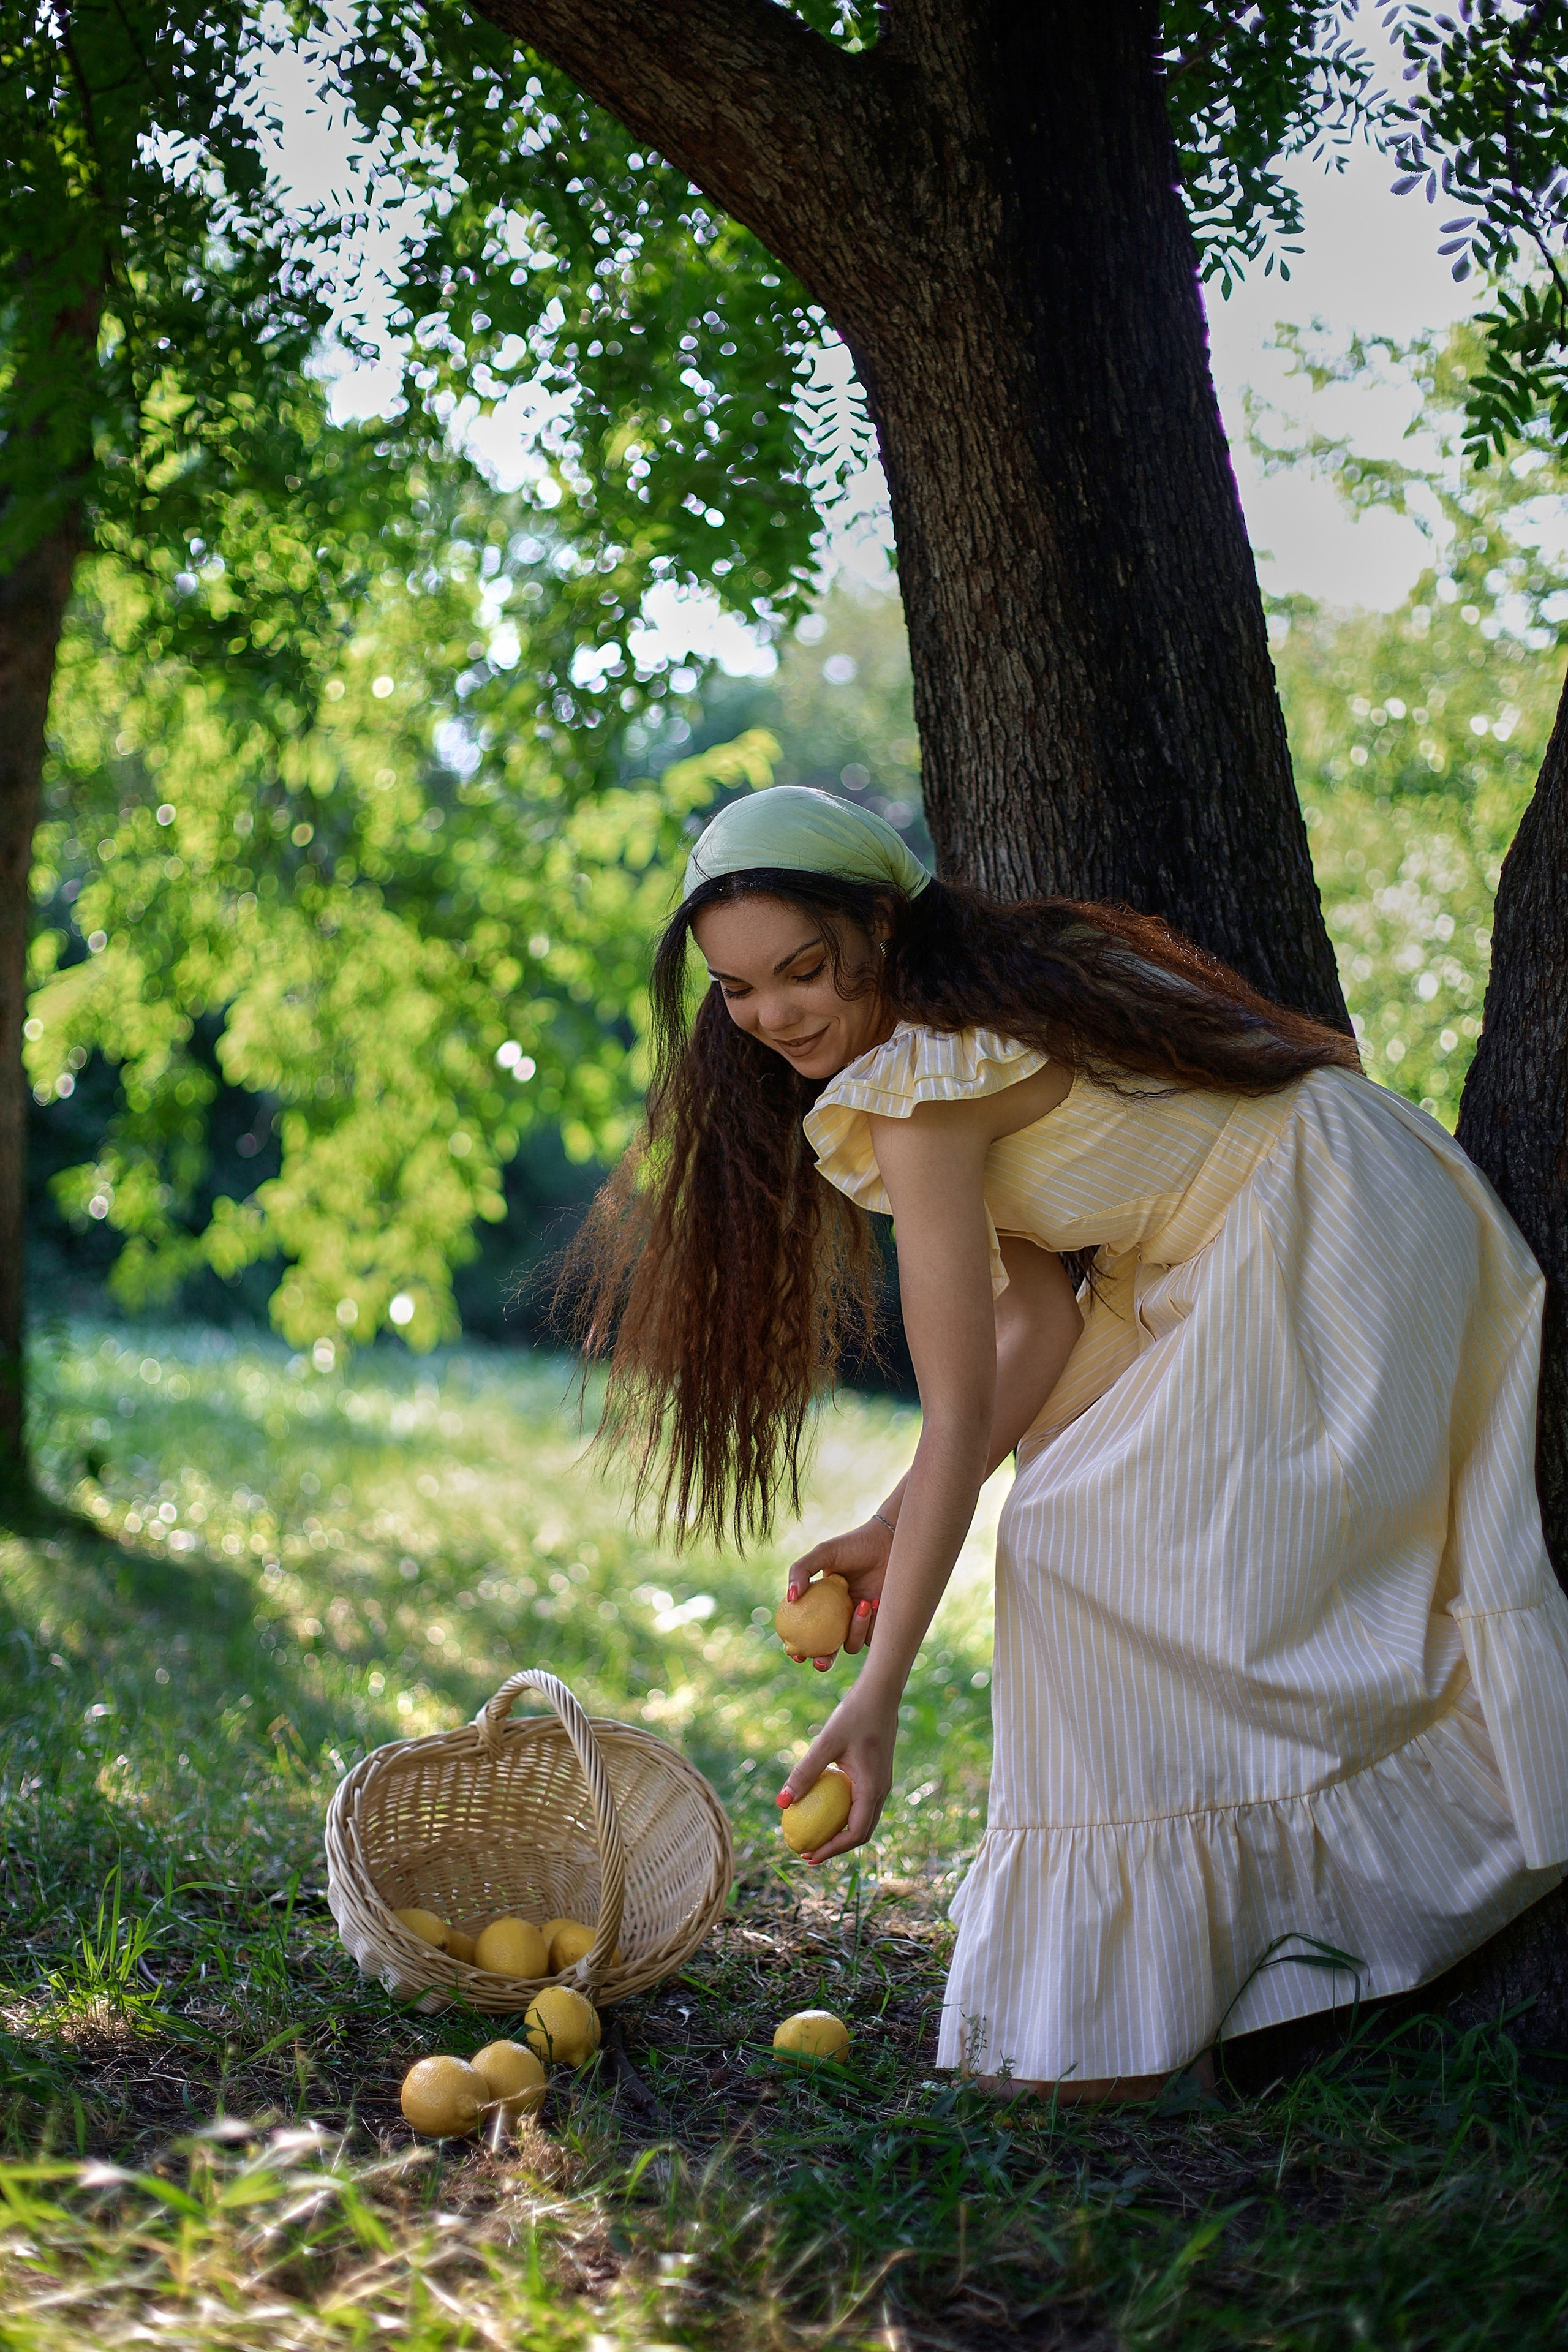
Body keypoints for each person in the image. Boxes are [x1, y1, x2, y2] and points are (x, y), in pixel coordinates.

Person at [569, 783, 1568, 2101]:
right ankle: (1167, 1999)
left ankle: (1148, 2017)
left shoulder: (927, 1091)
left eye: (801, 971)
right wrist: (892, 1520)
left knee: (1083, 1538)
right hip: (1238, 1240)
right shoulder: (943, 1041)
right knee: (1068, 1519)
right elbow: (1030, 1322)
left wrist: (874, 1704)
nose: (771, 1017)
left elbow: (952, 1386)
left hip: (1318, 1222)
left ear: (878, 925)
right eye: (736, 990)